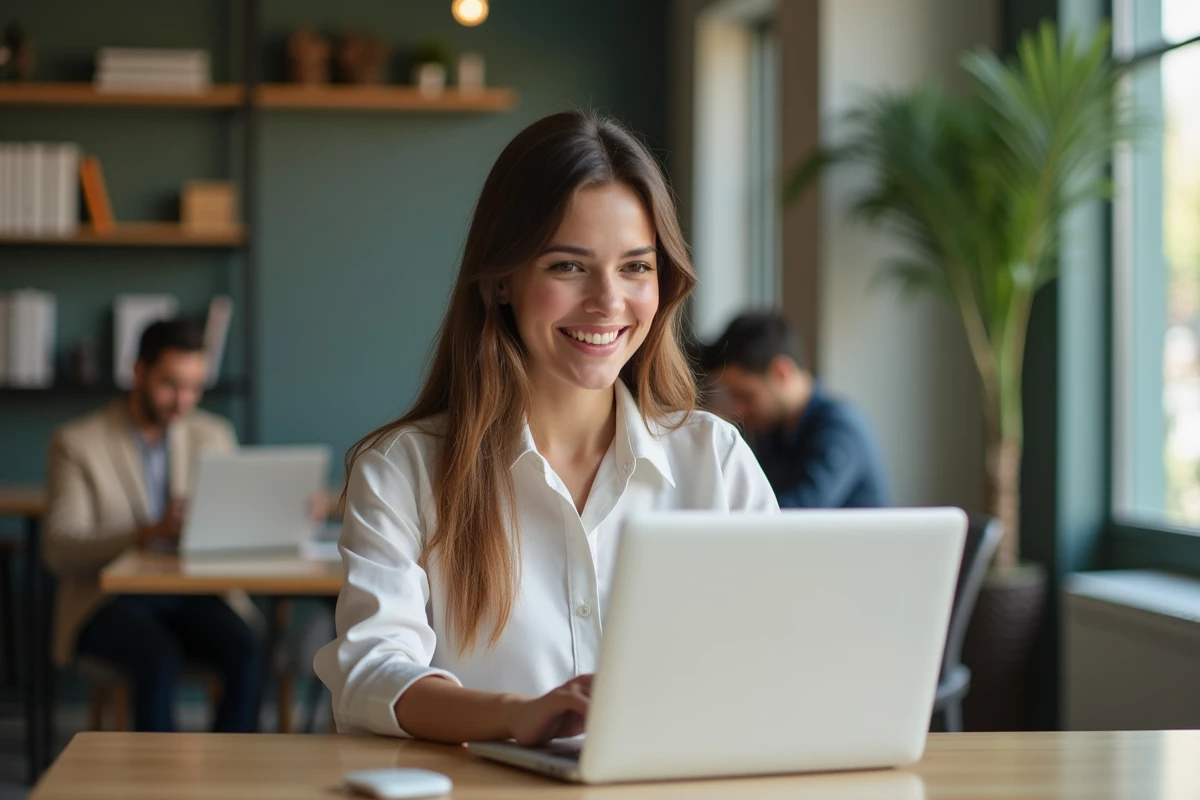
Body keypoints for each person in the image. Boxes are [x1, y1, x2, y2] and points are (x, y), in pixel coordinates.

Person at [314, 111, 778, 745]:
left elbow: (779, 656)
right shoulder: (403, 470)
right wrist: (515, 716)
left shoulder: (715, 459)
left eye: (636, 268)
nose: (608, 302)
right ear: (502, 279)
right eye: (567, 266)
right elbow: (372, 673)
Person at [43, 319, 261, 733]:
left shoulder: (213, 434)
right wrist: (145, 531)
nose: (184, 401)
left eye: (195, 387)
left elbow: (235, 525)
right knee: (156, 656)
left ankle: (231, 779)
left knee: (246, 647)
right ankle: (159, 787)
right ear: (138, 371)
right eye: (171, 384)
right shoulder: (76, 442)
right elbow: (58, 548)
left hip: (193, 591)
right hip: (106, 599)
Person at [703, 311, 890, 509]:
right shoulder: (772, 430)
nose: (737, 408)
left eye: (746, 395)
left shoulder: (840, 429)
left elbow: (798, 512)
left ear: (781, 372)